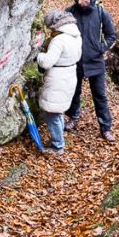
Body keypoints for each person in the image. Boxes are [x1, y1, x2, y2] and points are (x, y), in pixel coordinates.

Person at [65, 0, 116, 142]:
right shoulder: (70, 12)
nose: (79, 2)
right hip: (76, 61)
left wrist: (101, 48)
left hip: (96, 62)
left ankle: (106, 128)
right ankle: (73, 116)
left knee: (100, 96)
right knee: (74, 92)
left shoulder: (101, 12)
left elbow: (111, 35)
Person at [36, 9, 82, 155]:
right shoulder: (76, 36)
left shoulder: (59, 40)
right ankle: (58, 139)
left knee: (52, 113)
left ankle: (57, 145)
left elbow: (46, 62)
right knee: (58, 111)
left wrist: (38, 55)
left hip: (57, 78)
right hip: (69, 75)